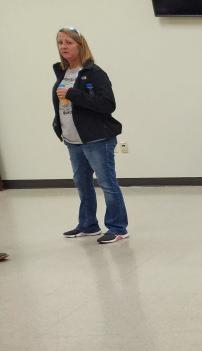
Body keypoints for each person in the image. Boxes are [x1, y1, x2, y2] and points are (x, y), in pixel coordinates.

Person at [53, 28, 129, 244]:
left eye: (69, 42)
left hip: (97, 139)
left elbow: (107, 105)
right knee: (82, 183)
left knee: (107, 183)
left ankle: (118, 228)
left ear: (80, 45)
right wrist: (58, 126)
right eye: (60, 43)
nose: (64, 46)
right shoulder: (62, 73)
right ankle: (88, 225)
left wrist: (74, 94)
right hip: (72, 139)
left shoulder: (95, 73)